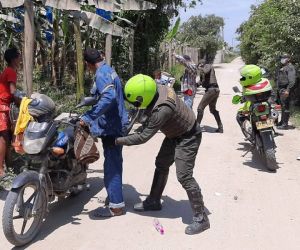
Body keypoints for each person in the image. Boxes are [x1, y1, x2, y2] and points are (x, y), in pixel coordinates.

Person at [113, 74, 210, 235]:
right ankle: (153, 201)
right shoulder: (158, 88)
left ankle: (202, 218)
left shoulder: (161, 110)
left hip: (189, 135)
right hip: (175, 132)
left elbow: (143, 136)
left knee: (184, 176)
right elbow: (142, 114)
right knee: (162, 164)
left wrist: (117, 141)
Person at [80, 48, 128, 217]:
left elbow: (108, 97)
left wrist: (88, 117)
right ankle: (114, 198)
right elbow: (107, 95)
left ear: (88, 64)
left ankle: (116, 207)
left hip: (112, 128)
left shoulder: (101, 74)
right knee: (114, 163)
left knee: (111, 167)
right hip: (118, 124)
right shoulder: (109, 70)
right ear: (101, 56)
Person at [0, 47, 21, 178]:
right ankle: (0, 169)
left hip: (3, 105)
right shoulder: (11, 71)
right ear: (14, 59)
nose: (20, 59)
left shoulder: (7, 70)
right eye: (19, 57)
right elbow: (13, 92)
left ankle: (8, 164)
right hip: (2, 107)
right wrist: (24, 102)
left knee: (6, 137)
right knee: (3, 138)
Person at [197, 59, 223, 133]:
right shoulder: (203, 71)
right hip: (214, 90)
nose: (199, 66)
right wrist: (194, 85)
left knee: (200, 108)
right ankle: (220, 127)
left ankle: (196, 128)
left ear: (202, 63)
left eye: (200, 64)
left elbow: (206, 71)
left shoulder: (207, 66)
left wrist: (201, 67)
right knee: (212, 110)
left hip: (211, 90)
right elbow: (201, 82)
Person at [275, 54, 296, 130]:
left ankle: (285, 124)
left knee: (285, 107)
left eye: (283, 58)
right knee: (283, 107)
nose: (282, 59)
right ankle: (282, 121)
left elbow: (292, 81)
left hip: (285, 90)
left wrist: (288, 90)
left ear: (288, 59)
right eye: (281, 58)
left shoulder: (290, 67)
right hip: (281, 90)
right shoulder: (284, 67)